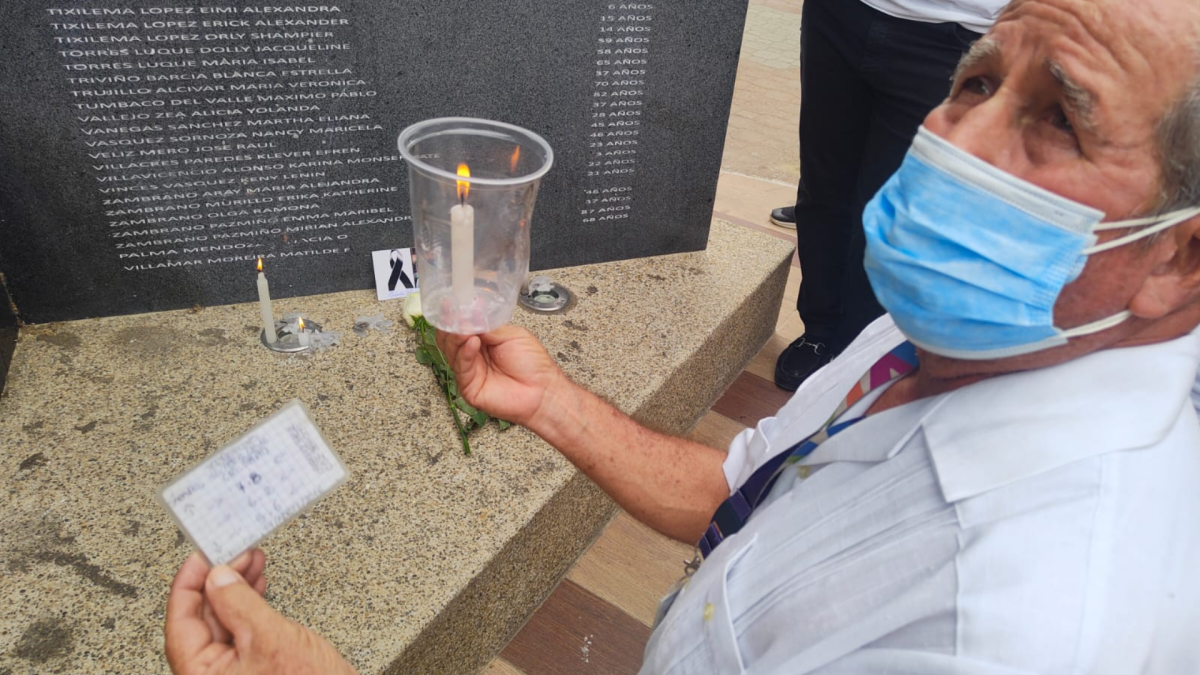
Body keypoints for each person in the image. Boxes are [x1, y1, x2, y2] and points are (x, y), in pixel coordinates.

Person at [166, 0, 1200, 671]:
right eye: (974, 82)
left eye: (1059, 120)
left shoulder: (1016, 631)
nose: (945, 142)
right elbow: (754, 488)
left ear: (1181, 259)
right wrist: (551, 400)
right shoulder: (963, 336)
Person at [772, 0, 1007, 391]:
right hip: (839, 15)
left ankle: (855, 352)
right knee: (823, 183)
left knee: (890, 211)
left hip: (957, 36)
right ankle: (819, 329)